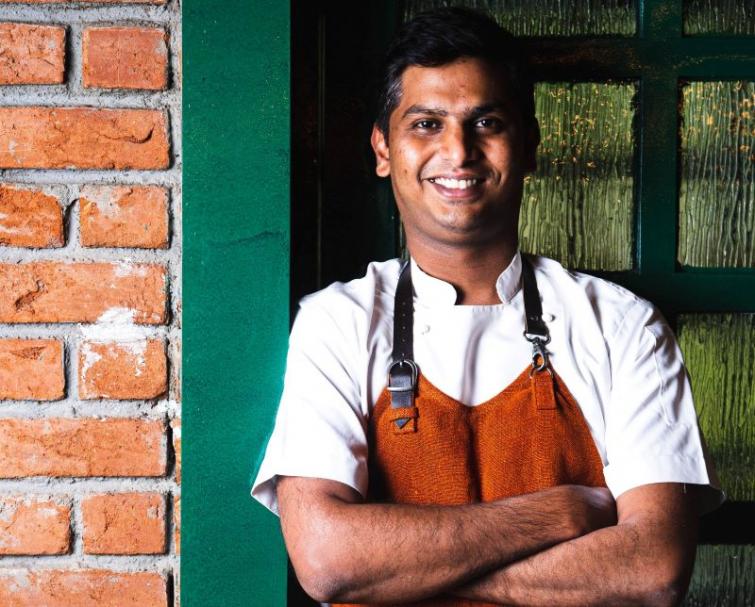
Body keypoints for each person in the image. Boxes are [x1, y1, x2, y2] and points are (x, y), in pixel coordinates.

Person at [251, 7, 722, 606]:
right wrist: (556, 514)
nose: (458, 151)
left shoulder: (623, 326)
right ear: (383, 149)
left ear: (529, 147)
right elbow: (327, 561)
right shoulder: (336, 323)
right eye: (426, 124)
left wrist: (404, 571)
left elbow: (653, 569)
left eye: (487, 123)